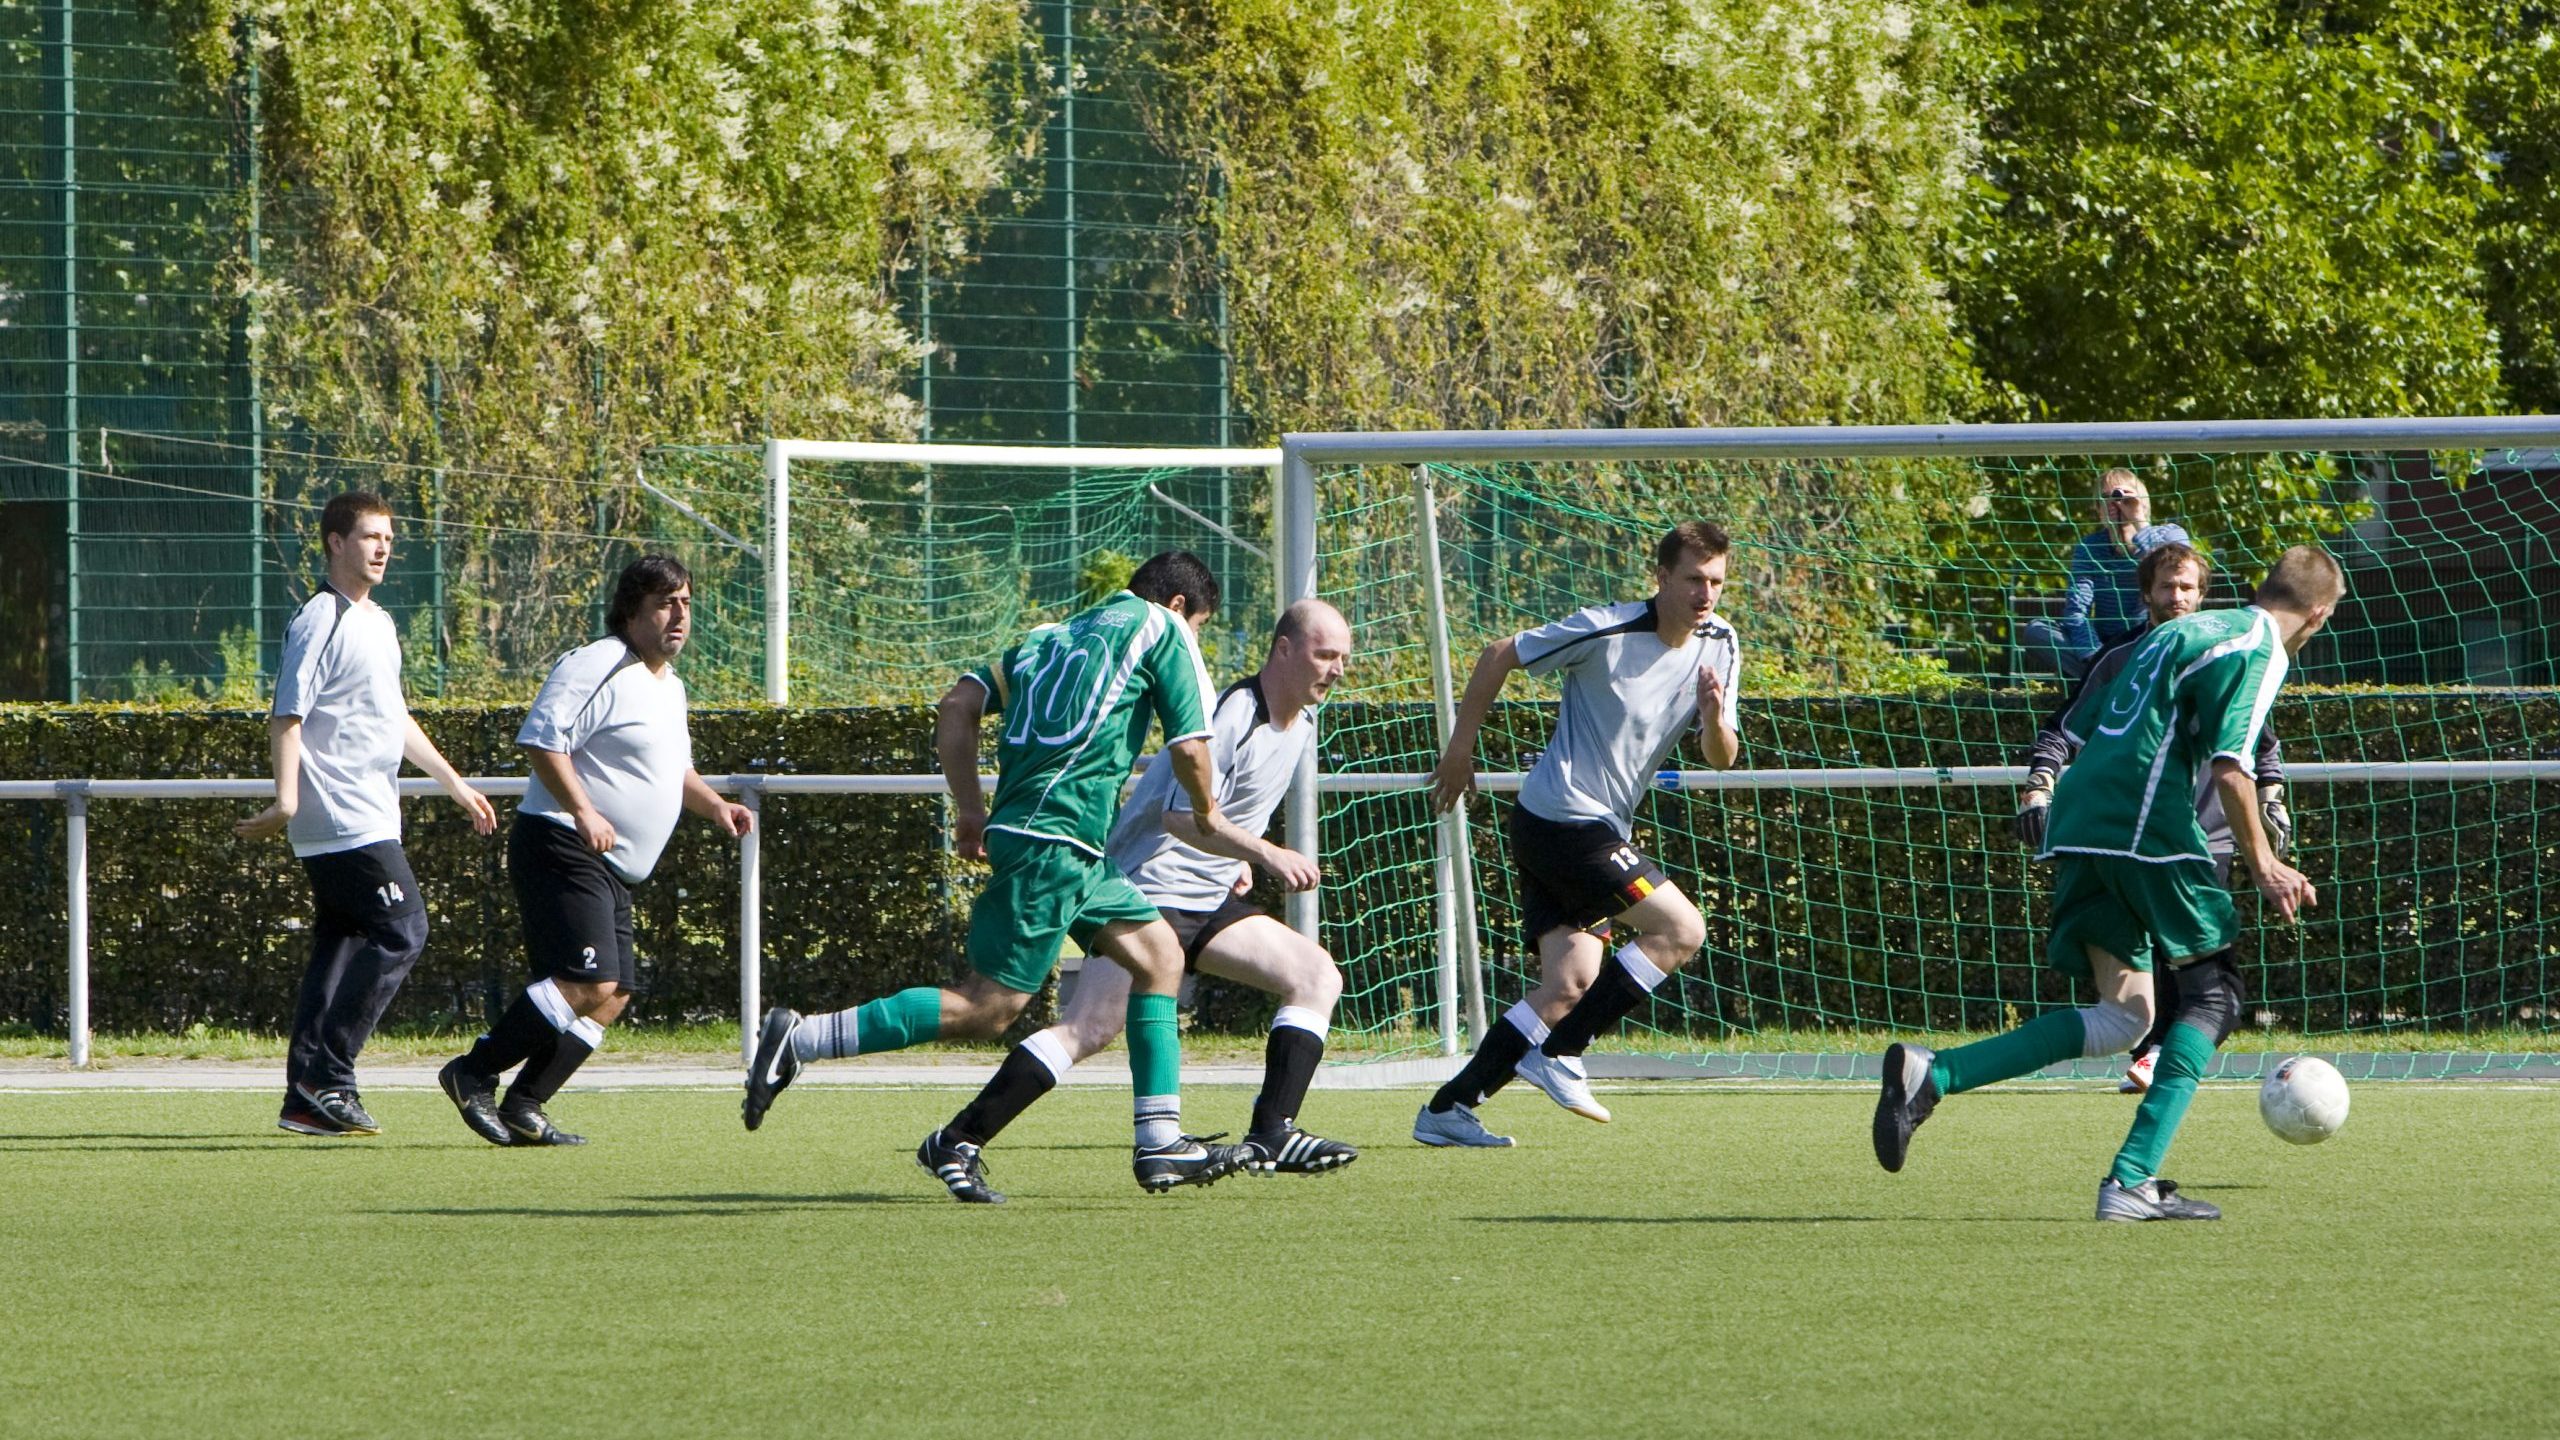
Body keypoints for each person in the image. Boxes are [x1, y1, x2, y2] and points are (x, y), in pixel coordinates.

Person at [742, 551, 1265, 1197]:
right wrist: (1209, 814)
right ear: (1182, 605)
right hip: (1057, 841)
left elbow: (956, 705)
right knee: (985, 1007)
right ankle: (802, 1039)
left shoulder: (1046, 638)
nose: (1197, 640)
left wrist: (970, 810)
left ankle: (1160, 1143)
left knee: (1159, 957)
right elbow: (1190, 746)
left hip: (1057, 842)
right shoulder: (1161, 629)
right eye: (1201, 627)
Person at [1874, 545, 2343, 1222]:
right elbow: (2233, 766)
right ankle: (2132, 1180)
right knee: (2214, 999)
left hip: (2079, 822)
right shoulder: (2257, 645)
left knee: (2127, 1015)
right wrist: (2266, 861)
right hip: (2144, 827)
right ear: (2319, 615)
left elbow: (2083, 726)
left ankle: (1934, 1074)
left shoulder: (2177, 633)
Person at [912, 600, 1354, 1202]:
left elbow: (1227, 815)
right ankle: (959, 1138)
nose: (1337, 669)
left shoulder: (1300, 726)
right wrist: (1265, 854)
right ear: (1283, 650)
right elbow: (1180, 816)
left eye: (1343, 659)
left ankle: (1272, 1133)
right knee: (1088, 1028)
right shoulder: (1233, 712)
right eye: (1326, 655)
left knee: (1315, 975)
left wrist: (1235, 864)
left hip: (1208, 901)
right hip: (1150, 888)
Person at [1413, 521, 1742, 1147]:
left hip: (1588, 825)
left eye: (1717, 582)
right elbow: (1497, 653)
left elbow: (1721, 756)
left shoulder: (1721, 644)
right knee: (1682, 929)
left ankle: (1447, 1109)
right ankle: (1562, 1053)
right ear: (1662, 578)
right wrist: (1460, 752)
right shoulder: (1608, 629)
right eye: (1694, 580)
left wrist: (1712, 716)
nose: (1706, 595)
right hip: (1564, 818)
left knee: (1568, 984)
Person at [436, 554, 753, 1146]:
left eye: (685, 602)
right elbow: (541, 739)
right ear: (631, 610)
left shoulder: (670, 684)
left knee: (614, 996)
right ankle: (472, 1071)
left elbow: (674, 770)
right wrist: (583, 810)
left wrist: (716, 806)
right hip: (559, 840)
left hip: (612, 867)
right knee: (585, 983)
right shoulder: (597, 663)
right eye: (665, 603)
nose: (679, 615)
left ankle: (525, 1104)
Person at [238, 491, 496, 1137]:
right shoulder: (319, 619)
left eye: (388, 538)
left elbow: (393, 718)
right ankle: (330, 1077)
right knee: (403, 929)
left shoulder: (377, 622)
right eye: (370, 537)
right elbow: (287, 716)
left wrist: (454, 784)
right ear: (334, 542)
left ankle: (305, 1098)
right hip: (340, 816)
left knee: (341, 945)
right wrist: (288, 800)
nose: (383, 548)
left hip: (370, 814)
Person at [2013, 534, 2294, 1093]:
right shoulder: (2121, 657)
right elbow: (2068, 724)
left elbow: (2257, 739)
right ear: (2146, 593)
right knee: (2148, 967)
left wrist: (2273, 796)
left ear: (2202, 594)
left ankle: (2159, 1058)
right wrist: (2038, 785)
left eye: (2188, 586)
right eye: (2166, 586)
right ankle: (2150, 1061)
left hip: (2204, 833)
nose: (2177, 596)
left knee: (2194, 962)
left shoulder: (2225, 651)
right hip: (2130, 834)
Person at [2022, 469, 2155, 679]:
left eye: (2121, 497)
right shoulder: (2089, 547)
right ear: (2097, 509)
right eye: (2105, 499)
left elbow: (2171, 569)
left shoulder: (2168, 535)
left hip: (2147, 643)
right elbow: (2077, 610)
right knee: (2036, 630)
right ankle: (2107, 680)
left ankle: (2099, 683)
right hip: (2103, 646)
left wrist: (2139, 522)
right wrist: (2095, 656)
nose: (2114, 504)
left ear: (2142, 502)